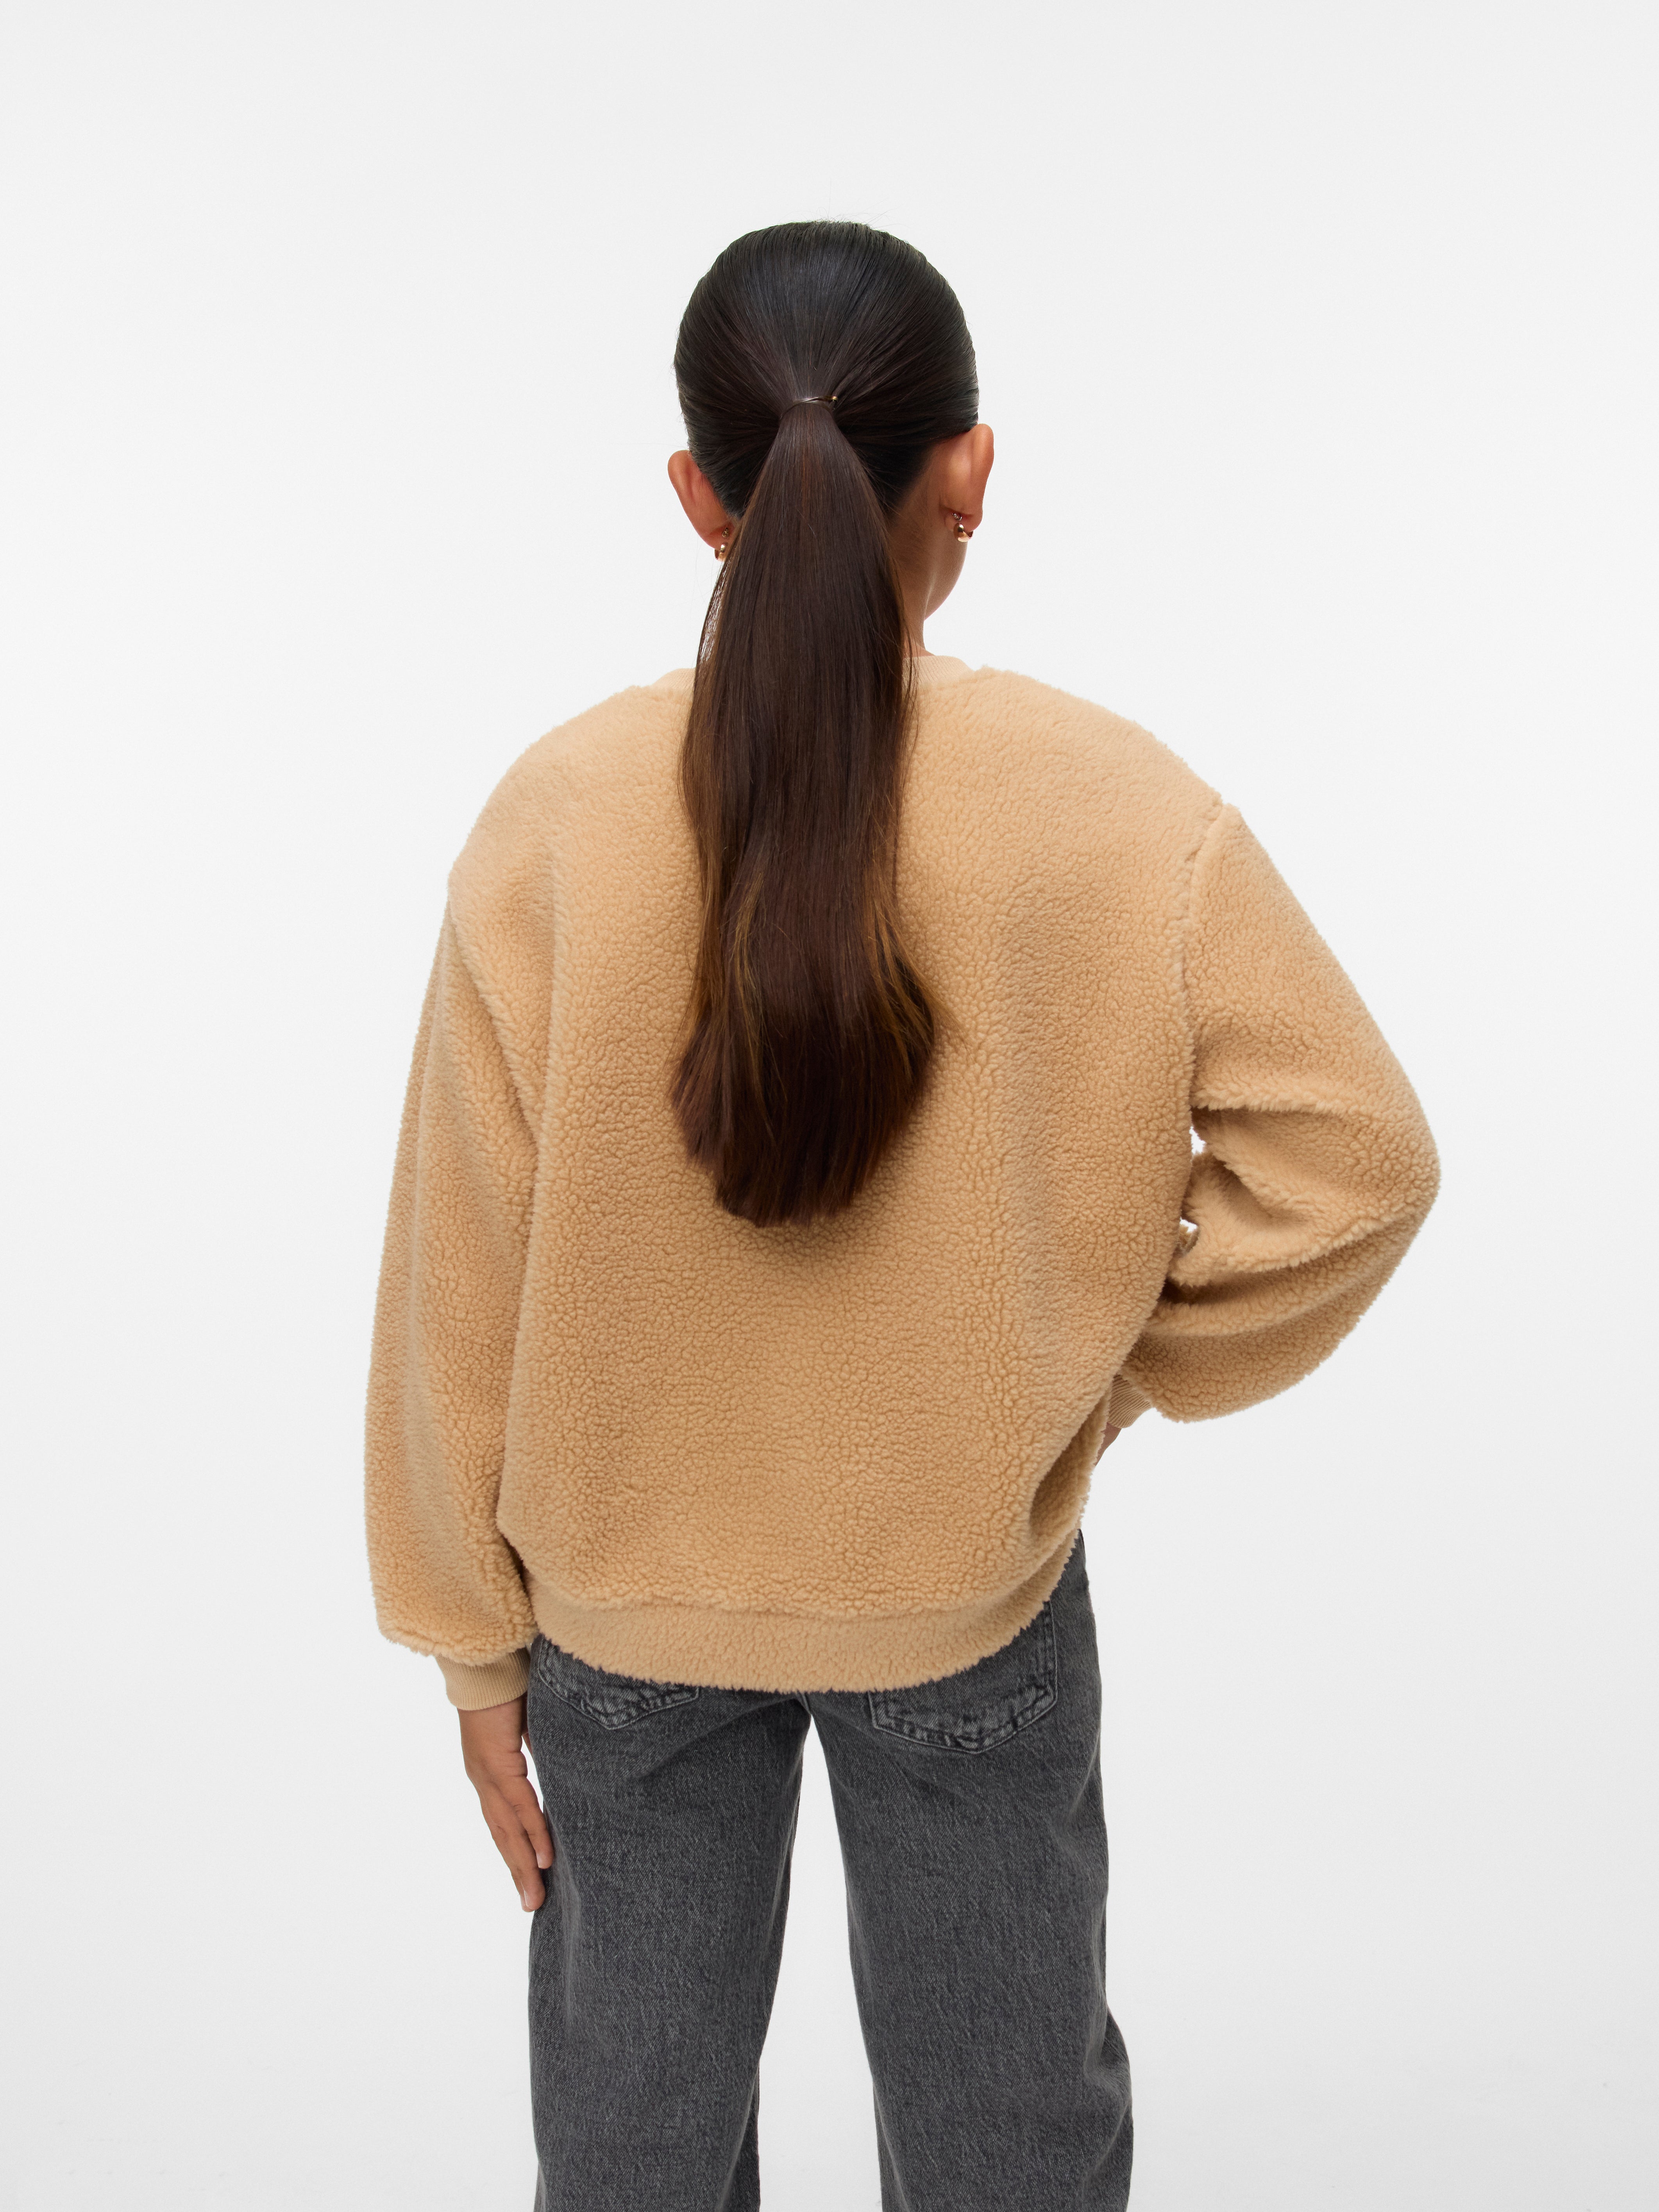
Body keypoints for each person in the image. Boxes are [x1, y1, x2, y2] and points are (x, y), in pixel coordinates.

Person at [365, 220, 1438, 2212]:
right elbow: (1358, 1162)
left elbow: (456, 1270)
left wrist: (467, 1648)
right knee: (1012, 2153)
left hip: (617, 1628)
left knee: (628, 2165)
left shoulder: (555, 821)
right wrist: (1097, 1372)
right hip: (968, 1601)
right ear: (971, 471)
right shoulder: (1122, 812)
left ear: (697, 498)